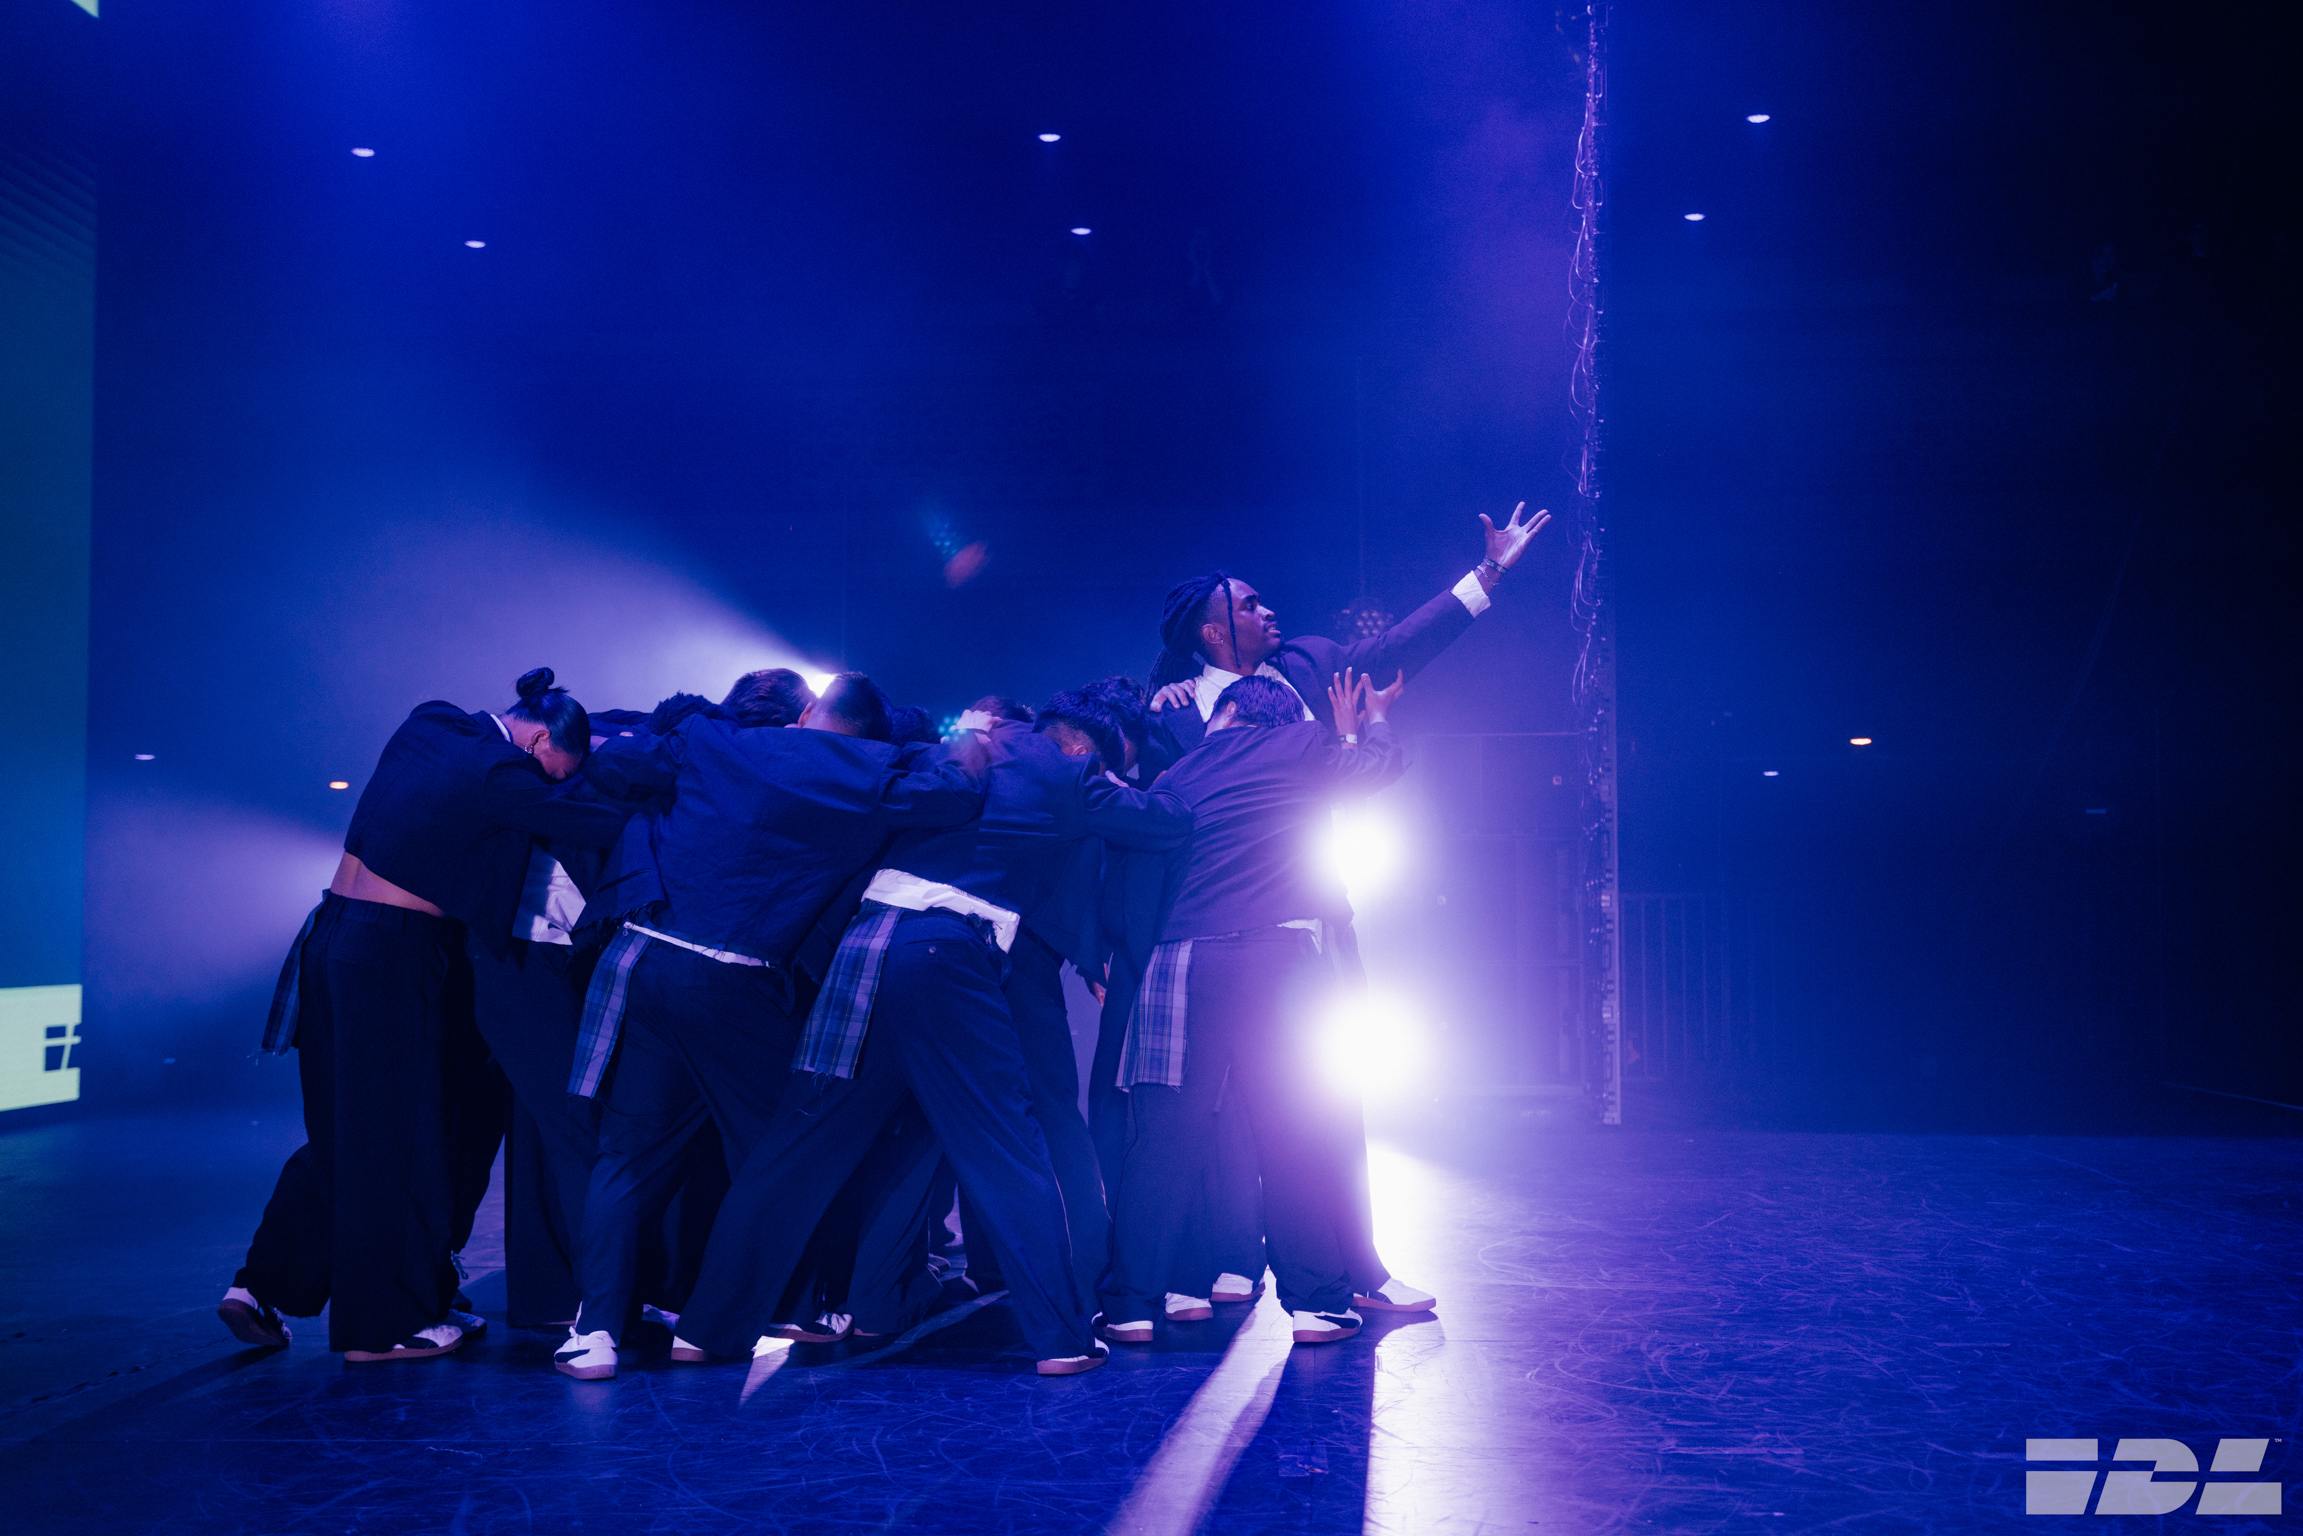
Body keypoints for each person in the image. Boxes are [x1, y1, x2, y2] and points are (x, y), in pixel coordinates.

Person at [666, 710, 1193, 1377]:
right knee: (1007, 1146)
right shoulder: (1065, 770)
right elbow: (1161, 821)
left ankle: (708, 1328)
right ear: (1075, 743)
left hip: (865, 947)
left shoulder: (941, 756)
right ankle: (1062, 1339)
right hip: (947, 954)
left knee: (794, 1147)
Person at [550, 673, 985, 1381]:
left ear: (809, 709)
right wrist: (969, 741)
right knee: (784, 1157)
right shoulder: (859, 768)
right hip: (733, 982)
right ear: (868, 734)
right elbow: (956, 795)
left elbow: (614, 767)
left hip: (648, 961)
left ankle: (593, 1331)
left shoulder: (714, 739)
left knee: (626, 1157)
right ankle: (769, 1311)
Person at [221, 668, 630, 1362]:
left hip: (331, 934)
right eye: (558, 771)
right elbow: (590, 821)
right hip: (395, 952)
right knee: (399, 1137)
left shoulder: (432, 721)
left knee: (347, 1125)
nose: (554, 786)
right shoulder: (504, 777)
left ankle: (266, 1281)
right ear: (538, 744)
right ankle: (384, 1327)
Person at [1101, 670, 1406, 1347]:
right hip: (1280, 960)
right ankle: (1315, 1305)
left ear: (1228, 712)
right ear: (1275, 717)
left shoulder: (1174, 776)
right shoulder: (1297, 744)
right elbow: (1378, 768)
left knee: (1163, 1142)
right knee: (1292, 1135)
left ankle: (1127, 1304)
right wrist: (1371, 718)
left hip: (1181, 960)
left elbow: (1134, 885)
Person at [1144, 502, 1550, 755]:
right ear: (1214, 634)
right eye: (1250, 608)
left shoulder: (1310, 663)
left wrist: (1490, 571)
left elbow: (1401, 644)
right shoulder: (1176, 714)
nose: (1268, 612)